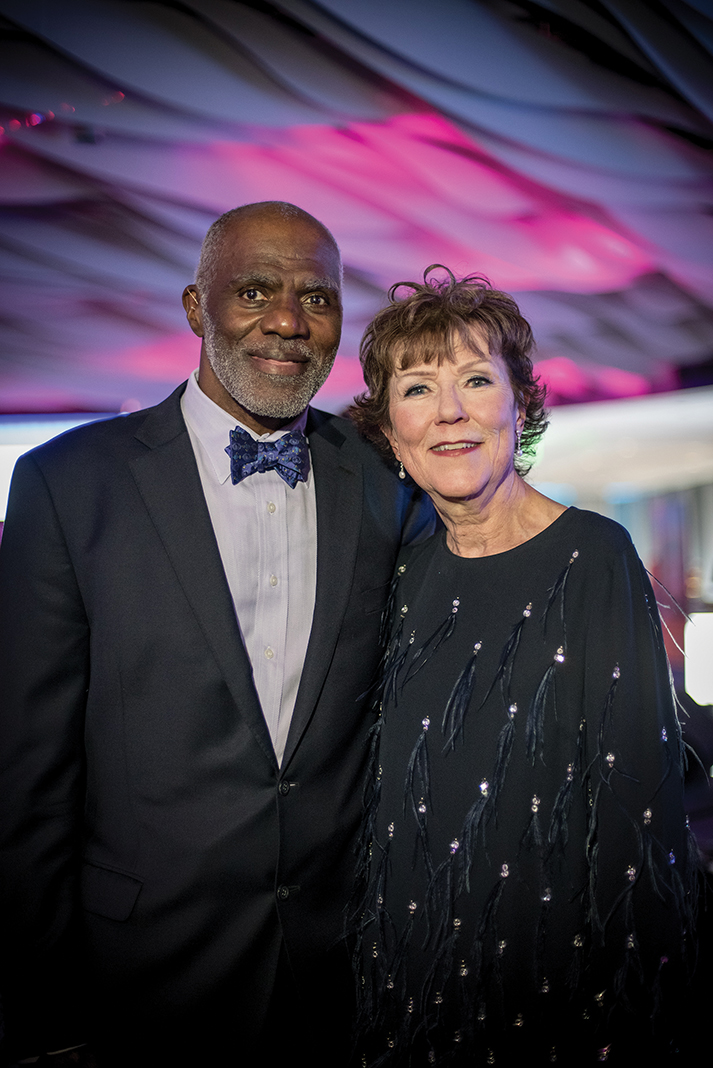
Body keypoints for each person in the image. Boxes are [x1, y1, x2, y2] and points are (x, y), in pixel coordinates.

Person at [0, 202, 434, 1067]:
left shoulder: (386, 484)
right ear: (197, 308)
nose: (286, 320)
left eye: (316, 297)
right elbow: (26, 776)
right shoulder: (68, 485)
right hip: (136, 977)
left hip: (343, 978)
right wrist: (41, 1008)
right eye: (254, 291)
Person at [348, 267, 698, 1065]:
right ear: (390, 429)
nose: (449, 412)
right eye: (416, 389)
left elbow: (636, 823)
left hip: (549, 992)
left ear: (518, 405)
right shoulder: (401, 575)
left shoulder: (592, 556)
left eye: (476, 379)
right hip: (402, 978)